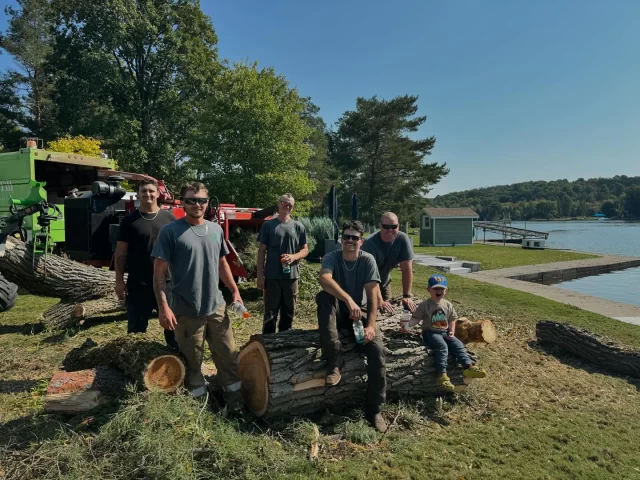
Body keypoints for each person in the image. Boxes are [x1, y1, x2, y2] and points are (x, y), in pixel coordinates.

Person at [151, 182, 244, 407]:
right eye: (191, 200)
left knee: (229, 357)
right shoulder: (170, 232)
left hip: (216, 306)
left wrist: (235, 291)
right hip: (186, 308)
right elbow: (159, 273)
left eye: (201, 200)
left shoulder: (215, 230)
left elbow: (222, 263)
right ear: (183, 202)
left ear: (208, 202)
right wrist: (164, 307)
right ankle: (200, 408)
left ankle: (235, 403)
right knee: (193, 363)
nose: (197, 205)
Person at [317, 220, 387, 432]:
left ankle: (375, 410)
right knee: (324, 298)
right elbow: (324, 279)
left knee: (377, 352)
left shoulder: (368, 261)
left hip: (360, 316)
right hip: (339, 312)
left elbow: (373, 294)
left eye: (354, 238)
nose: (350, 241)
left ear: (361, 241)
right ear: (341, 239)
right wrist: (348, 300)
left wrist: (371, 325)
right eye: (346, 237)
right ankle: (334, 359)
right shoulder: (332, 257)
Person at [114, 179, 178, 351]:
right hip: (138, 285)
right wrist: (119, 281)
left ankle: (180, 365)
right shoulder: (129, 221)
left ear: (158, 193)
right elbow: (120, 254)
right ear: (138, 195)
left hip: (168, 284)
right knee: (136, 333)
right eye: (144, 191)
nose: (147, 194)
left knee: (174, 330)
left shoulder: (170, 219)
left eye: (151, 191)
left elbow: (179, 252)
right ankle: (135, 367)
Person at [404, 274, 486, 392]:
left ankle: (468, 366)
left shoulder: (447, 304)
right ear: (429, 290)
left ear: (446, 290)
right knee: (442, 346)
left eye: (441, 289)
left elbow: (452, 319)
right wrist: (407, 325)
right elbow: (416, 318)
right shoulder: (424, 305)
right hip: (430, 333)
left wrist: (452, 330)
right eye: (435, 288)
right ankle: (442, 374)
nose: (438, 291)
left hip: (444, 332)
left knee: (458, 344)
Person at [257, 194, 309, 334]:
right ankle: (268, 342)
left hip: (291, 277)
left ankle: (284, 341)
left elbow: (305, 250)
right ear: (279, 204)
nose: (287, 207)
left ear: (293, 208)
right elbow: (262, 251)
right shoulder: (268, 225)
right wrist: (260, 275)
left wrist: (293, 257)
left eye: (290, 205)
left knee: (288, 312)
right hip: (272, 276)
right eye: (284, 203)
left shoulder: (298, 227)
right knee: (270, 312)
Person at [362, 212, 416, 314]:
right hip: (366, 283)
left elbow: (406, 269)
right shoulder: (370, 243)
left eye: (393, 226)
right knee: (371, 310)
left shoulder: (402, 239)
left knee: (389, 310)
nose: (389, 230)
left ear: (398, 226)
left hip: (385, 281)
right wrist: (379, 300)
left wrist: (406, 296)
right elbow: (371, 275)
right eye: (386, 226)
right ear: (380, 226)